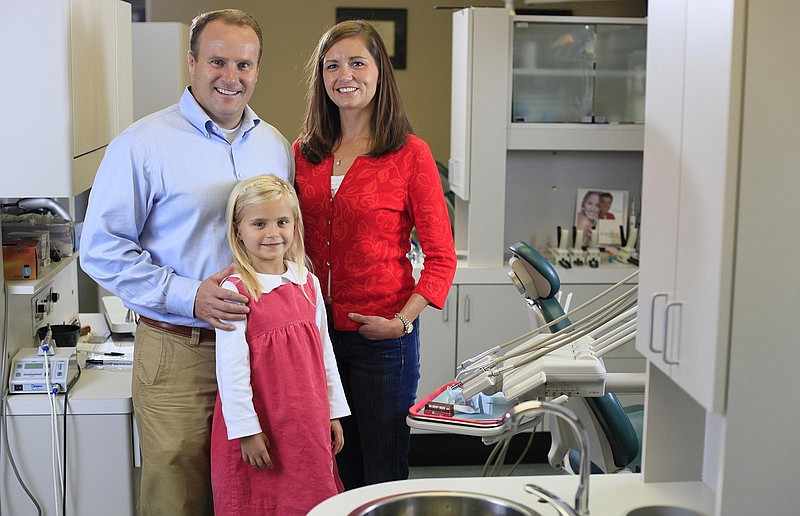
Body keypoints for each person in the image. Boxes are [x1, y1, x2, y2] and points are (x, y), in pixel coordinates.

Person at [79, 9, 294, 515]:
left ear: (258, 70)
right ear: (192, 62)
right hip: (182, 351)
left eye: (244, 65)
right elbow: (100, 247)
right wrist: (189, 294)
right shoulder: (142, 144)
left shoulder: (276, 145)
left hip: (262, 350)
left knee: (257, 492)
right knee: (179, 497)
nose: (231, 77)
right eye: (217, 61)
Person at [293, 20, 457, 489]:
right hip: (315, 337)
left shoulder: (410, 154)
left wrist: (401, 322)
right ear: (321, 79)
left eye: (357, 62)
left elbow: (442, 257)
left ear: (379, 71)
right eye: (332, 66)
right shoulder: (304, 152)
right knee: (332, 462)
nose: (345, 75)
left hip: (383, 338)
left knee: (383, 467)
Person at [211, 175, 350, 515]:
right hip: (263, 424)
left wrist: (332, 412)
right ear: (238, 230)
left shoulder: (308, 282)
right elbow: (231, 371)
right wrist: (246, 431)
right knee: (259, 500)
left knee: (309, 497)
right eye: (259, 223)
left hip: (305, 422)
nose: (273, 233)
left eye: (282, 222)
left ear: (295, 226)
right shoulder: (236, 290)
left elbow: (324, 354)